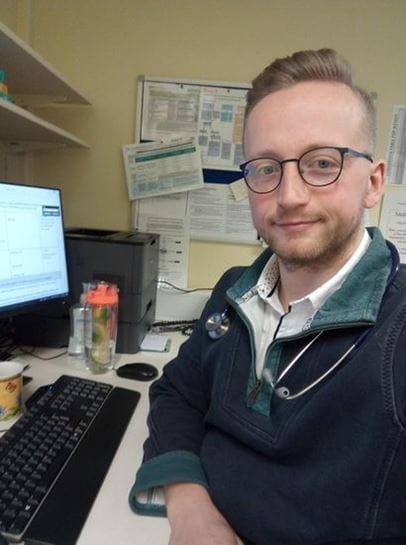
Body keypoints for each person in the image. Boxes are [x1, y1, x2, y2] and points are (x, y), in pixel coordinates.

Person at [129, 49, 406, 545]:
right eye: (266, 167)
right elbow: (177, 394)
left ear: (374, 182)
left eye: (323, 163)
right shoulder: (234, 290)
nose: (291, 195)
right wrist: (189, 506)